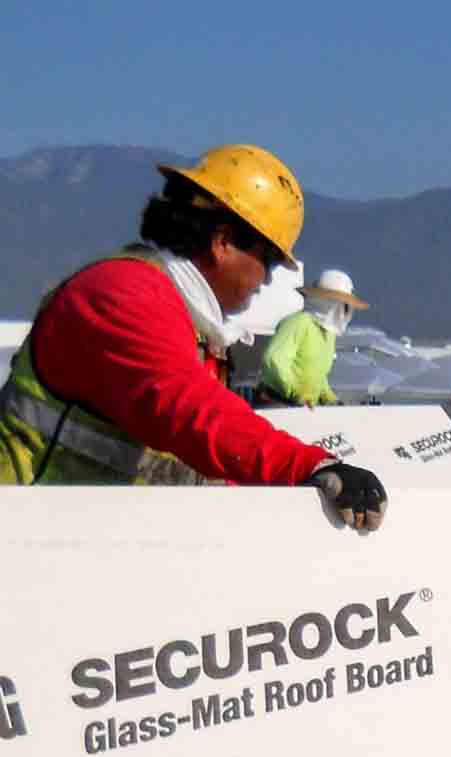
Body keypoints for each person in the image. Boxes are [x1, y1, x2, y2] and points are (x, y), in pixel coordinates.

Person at [0, 144, 387, 530]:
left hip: (80, 538)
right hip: (23, 540)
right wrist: (307, 465)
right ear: (223, 243)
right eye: (266, 261)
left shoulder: (190, 321)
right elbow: (193, 413)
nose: (266, 280)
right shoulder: (123, 294)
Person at [257, 269, 368, 407]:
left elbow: (317, 374)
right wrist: (294, 392)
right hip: (277, 402)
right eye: (344, 305)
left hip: (304, 406)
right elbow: (273, 360)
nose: (345, 310)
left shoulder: (329, 334)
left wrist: (329, 398)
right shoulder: (298, 322)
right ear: (329, 302)